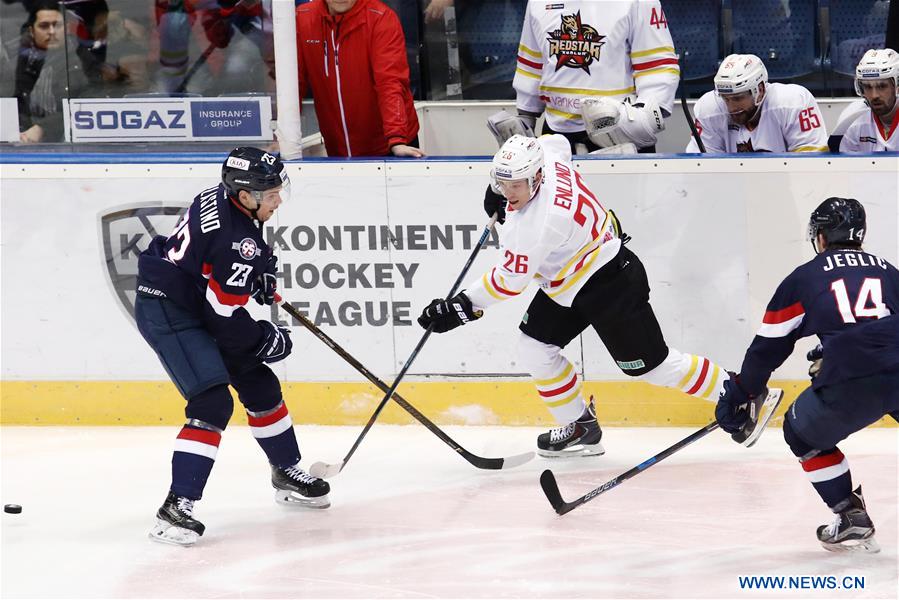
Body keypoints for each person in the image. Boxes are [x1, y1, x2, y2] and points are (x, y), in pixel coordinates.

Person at [416, 134, 747, 457]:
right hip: (568, 281)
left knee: (652, 367)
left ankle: (737, 393)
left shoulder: (536, 226)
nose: (508, 192)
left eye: (515, 184)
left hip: (610, 283)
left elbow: (508, 282)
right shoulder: (550, 159)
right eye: (502, 182)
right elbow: (555, 141)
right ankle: (579, 426)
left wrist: (462, 307)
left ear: (537, 176)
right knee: (535, 347)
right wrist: (499, 190)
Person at [134, 147, 330, 547]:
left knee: (261, 387)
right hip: (169, 308)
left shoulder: (221, 198)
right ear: (244, 195)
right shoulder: (236, 239)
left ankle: (285, 472)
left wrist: (262, 271)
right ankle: (176, 507)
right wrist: (266, 339)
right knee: (212, 403)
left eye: (278, 190)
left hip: (194, 296)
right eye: (270, 194)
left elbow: (224, 259)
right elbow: (225, 321)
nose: (277, 201)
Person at [715, 197, 899, 553]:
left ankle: (849, 516)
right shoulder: (889, 271)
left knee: (801, 434)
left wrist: (742, 392)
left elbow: (767, 349)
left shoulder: (805, 277)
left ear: (823, 237)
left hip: (852, 381)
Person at [510, 0, 678, 154]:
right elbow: (531, 63)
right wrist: (525, 118)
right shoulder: (537, 3)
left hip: (618, 132)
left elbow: (658, 65)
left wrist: (644, 117)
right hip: (556, 132)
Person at [295, 0, 423, 157]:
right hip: (337, 151)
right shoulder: (303, 18)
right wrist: (282, 138)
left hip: (391, 146)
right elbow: (294, 83)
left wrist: (397, 139)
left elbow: (390, 83)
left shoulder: (381, 18)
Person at [685, 54, 829, 153]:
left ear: (759, 90)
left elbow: (812, 165)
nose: (731, 107)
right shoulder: (708, 109)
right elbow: (702, 168)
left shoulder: (793, 102)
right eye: (725, 98)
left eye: (737, 98)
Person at [14, 0, 67, 143]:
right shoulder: (16, 64)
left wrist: (43, 128)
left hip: (67, 149)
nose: (52, 31)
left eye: (57, 25)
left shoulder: (82, 61)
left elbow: (85, 104)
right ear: (32, 31)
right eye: (44, 26)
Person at [838, 48, 899, 153]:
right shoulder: (852, 118)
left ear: (897, 85)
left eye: (882, 86)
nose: (874, 95)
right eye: (868, 87)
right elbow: (845, 166)